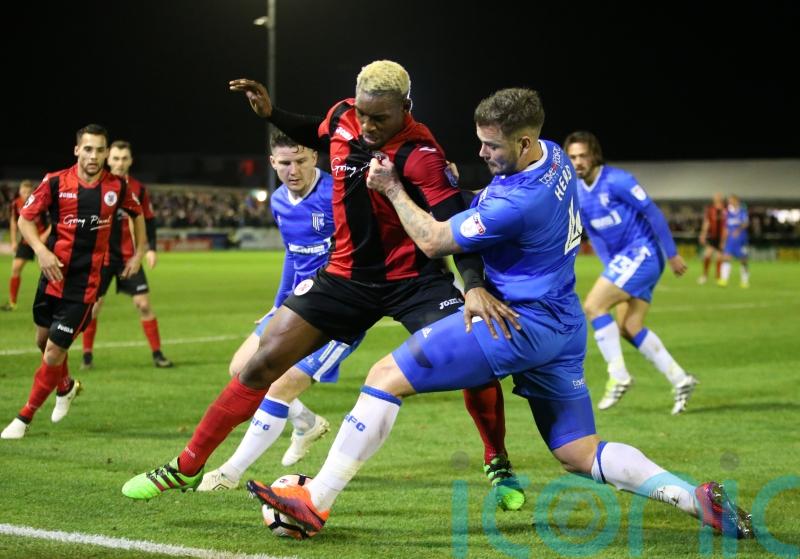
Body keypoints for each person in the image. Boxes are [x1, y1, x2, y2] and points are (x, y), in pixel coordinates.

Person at [248, 87, 753, 540]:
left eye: (492, 146)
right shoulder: (553, 158)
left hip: (515, 322)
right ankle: (695, 499)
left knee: (384, 376)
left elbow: (433, 240)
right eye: (481, 142)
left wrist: (394, 188)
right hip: (562, 324)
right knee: (579, 452)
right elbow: (481, 206)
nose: (481, 153)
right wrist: (456, 192)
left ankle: (315, 501)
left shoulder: (519, 200)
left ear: (525, 144)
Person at [122, 60, 525, 511]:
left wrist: (471, 285)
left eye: (382, 118)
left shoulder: (422, 154)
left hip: (414, 281)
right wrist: (273, 113)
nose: (369, 126)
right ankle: (188, 464)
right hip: (346, 276)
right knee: (262, 361)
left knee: (475, 356)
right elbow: (319, 129)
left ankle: (498, 460)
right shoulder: (342, 116)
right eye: (365, 114)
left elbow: (459, 226)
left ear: (405, 108)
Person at [197, 130, 365, 491]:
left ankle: (230, 472)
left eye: (301, 160)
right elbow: (292, 253)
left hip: (339, 309)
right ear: (273, 163)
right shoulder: (277, 201)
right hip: (296, 306)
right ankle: (305, 423)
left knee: (279, 386)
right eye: (285, 162)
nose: (293, 169)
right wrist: (277, 304)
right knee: (241, 368)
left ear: (315, 159)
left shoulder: (337, 193)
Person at [1, 124, 145, 440]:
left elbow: (137, 214)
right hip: (52, 276)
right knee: (43, 342)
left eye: (100, 150)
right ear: (77, 150)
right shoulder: (55, 182)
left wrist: (139, 252)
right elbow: (25, 218)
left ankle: (23, 418)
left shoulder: (116, 187)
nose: (94, 156)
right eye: (88, 149)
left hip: (85, 286)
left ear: (107, 153)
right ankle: (65, 387)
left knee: (53, 351)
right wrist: (40, 250)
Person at [563, 131, 698, 414]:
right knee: (629, 327)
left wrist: (672, 253)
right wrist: (610, 266)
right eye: (572, 157)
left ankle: (618, 374)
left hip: (644, 253)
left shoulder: (617, 181)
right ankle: (680, 378)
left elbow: (653, 213)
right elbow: (596, 236)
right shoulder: (577, 191)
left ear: (594, 155)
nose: (578, 162)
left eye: (582, 156)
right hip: (626, 260)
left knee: (594, 306)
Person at [79, 140, 173, 369]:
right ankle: (87, 357)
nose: (120, 163)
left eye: (124, 159)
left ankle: (158, 354)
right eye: (115, 158)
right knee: (94, 307)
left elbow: (149, 221)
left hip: (130, 257)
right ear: (107, 159)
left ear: (130, 161)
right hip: (101, 259)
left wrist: (150, 249)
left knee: (143, 305)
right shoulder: (95, 186)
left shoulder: (139, 189)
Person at [2, 180, 51, 311]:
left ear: (32, 192)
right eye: (24, 192)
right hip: (26, 240)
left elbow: (53, 222)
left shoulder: (41, 202)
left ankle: (50, 304)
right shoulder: (16, 204)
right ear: (19, 192)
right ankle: (12, 303)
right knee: (15, 268)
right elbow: (13, 223)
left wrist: (44, 236)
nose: (26, 194)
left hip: (42, 240)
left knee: (48, 271)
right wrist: (13, 241)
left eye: (29, 192)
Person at [718, 194, 749, 288]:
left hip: (741, 240)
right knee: (726, 258)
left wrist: (738, 230)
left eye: (731, 200)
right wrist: (723, 240)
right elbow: (726, 228)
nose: (730, 201)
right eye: (729, 200)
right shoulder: (728, 213)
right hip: (730, 241)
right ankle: (724, 280)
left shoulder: (742, 212)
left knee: (743, 261)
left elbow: (746, 223)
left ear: (736, 200)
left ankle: (744, 281)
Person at [697, 192, 727, 285]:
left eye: (718, 197)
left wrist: (725, 238)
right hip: (712, 236)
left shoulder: (725, 210)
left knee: (719, 257)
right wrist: (703, 234)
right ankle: (705, 276)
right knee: (707, 255)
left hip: (722, 237)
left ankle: (718, 277)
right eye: (715, 197)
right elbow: (707, 222)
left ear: (721, 198)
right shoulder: (711, 209)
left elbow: (727, 225)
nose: (716, 198)